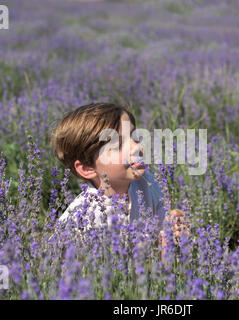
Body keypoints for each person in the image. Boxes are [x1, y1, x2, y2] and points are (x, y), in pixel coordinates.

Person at [49, 102, 188, 260]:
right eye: (118, 145)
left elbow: (160, 250)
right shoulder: (82, 220)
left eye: (134, 137)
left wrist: (170, 234)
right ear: (87, 168)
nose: (137, 148)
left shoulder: (148, 184)